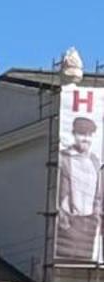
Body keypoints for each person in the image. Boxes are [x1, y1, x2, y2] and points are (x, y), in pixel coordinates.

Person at [58, 112, 103, 264]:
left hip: (88, 225)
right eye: (81, 134)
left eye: (89, 135)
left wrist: (96, 217)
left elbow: (98, 194)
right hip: (68, 224)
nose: (86, 139)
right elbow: (55, 190)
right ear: (73, 134)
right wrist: (62, 216)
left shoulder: (95, 161)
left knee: (86, 266)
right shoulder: (63, 158)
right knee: (64, 264)